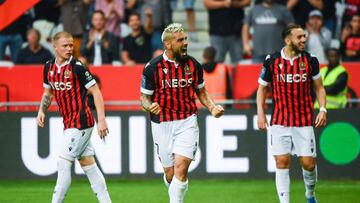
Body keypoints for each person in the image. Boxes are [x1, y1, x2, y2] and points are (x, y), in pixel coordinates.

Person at [140, 23, 224, 203]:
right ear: (168, 44)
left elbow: (201, 91)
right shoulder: (152, 68)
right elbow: (143, 98)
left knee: (181, 168)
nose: (185, 43)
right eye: (180, 40)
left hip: (187, 120)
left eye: (185, 39)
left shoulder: (194, 65)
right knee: (170, 174)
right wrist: (149, 106)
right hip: (161, 123)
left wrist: (212, 107)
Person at [36, 32, 111, 203]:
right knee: (88, 165)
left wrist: (101, 119)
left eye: (71, 45)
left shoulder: (77, 67)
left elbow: (96, 91)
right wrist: (41, 111)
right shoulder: (48, 67)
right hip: (69, 122)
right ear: (55, 47)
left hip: (81, 123)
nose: (70, 48)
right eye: (65, 45)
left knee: (63, 164)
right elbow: (48, 92)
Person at [257, 24, 327, 203]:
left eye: (304, 36)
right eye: (299, 37)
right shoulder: (272, 60)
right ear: (288, 40)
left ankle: (310, 195)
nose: (304, 40)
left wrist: (322, 109)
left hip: (303, 121)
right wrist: (261, 113)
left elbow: (319, 88)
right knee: (281, 162)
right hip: (280, 120)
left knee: (308, 164)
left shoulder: (311, 60)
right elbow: (262, 89)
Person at [204, 0, 251, 64]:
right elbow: (207, 3)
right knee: (217, 63)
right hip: (217, 32)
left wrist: (234, 4)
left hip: (236, 32)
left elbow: (247, 2)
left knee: (238, 62)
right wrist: (224, 3)